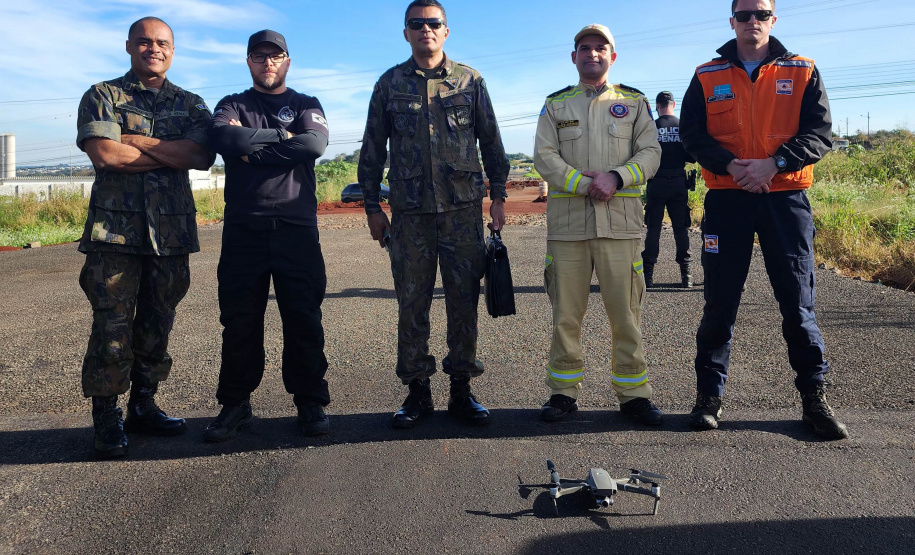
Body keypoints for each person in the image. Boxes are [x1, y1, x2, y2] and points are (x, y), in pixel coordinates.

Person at [680, 0, 847, 439]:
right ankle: (708, 399)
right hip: (727, 200)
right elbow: (692, 134)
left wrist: (773, 165)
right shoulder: (706, 75)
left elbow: (819, 132)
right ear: (731, 21)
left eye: (761, 14)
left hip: (785, 198)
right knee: (719, 302)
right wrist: (733, 166)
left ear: (774, 20)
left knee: (797, 302)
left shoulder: (803, 69)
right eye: (744, 14)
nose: (752, 21)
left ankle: (814, 398)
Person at [358, 0, 510, 429]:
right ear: (405, 32)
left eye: (433, 23)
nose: (426, 29)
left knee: (464, 303)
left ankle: (462, 388)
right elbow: (371, 151)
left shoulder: (469, 80)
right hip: (409, 215)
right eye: (416, 24)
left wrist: (498, 197)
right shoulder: (389, 84)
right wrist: (373, 207)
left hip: (462, 211)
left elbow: (492, 142)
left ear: (447, 31)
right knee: (412, 303)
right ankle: (417, 391)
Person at [75, 17, 215, 458]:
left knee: (158, 325)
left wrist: (138, 141)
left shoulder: (191, 104)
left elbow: (201, 155)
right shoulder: (103, 95)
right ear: (130, 47)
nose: (153, 49)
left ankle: (143, 405)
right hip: (113, 235)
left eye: (162, 43)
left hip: (169, 236)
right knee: (111, 329)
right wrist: (165, 152)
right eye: (145, 42)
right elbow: (105, 154)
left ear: (172, 50)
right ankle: (107, 418)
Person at [204, 30, 332, 441]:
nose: (267, 63)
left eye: (275, 56)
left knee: (303, 320)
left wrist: (252, 145)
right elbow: (222, 137)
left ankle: (310, 401)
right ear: (248, 62)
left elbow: (313, 144)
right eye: (259, 56)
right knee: (239, 323)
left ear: (287, 61)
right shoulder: (232, 104)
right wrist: (282, 138)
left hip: (296, 230)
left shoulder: (305, 104)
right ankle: (235, 404)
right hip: (244, 231)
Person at [533, 24, 663, 425]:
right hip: (569, 227)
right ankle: (563, 393)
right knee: (565, 316)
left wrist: (617, 177)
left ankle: (633, 394)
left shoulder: (635, 102)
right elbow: (544, 156)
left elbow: (651, 153)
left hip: (620, 228)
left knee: (626, 315)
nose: (592, 54)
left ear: (613, 56)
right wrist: (584, 184)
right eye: (584, 48)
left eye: (600, 48)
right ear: (574, 58)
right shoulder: (556, 105)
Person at [642, 91, 696, 288]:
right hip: (678, 182)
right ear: (674, 104)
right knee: (681, 229)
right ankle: (686, 276)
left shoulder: (651, 127)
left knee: (653, 229)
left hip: (656, 181)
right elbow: (693, 156)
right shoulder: (684, 126)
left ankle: (648, 276)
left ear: (657, 105)